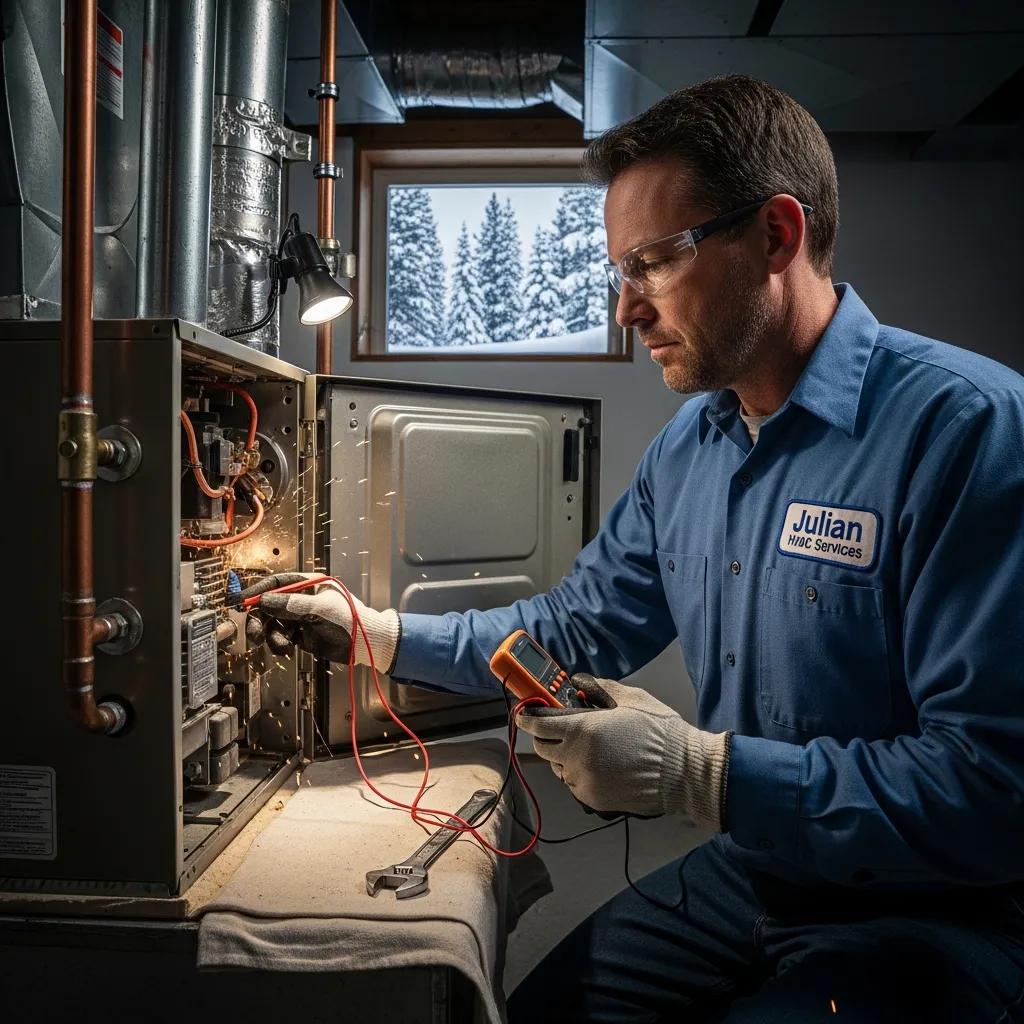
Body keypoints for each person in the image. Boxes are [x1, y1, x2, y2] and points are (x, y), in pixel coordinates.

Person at [239, 75, 1024, 1022]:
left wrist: (703, 775)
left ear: (777, 235)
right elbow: (573, 628)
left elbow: (993, 786)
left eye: (652, 263)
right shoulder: (692, 448)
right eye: (621, 270)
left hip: (934, 910)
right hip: (754, 871)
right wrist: (381, 635)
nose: (627, 309)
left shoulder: (967, 430)